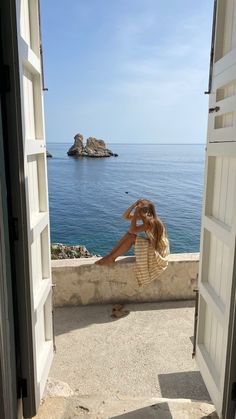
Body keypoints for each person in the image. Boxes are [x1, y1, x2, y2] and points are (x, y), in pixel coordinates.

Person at [95, 199, 169, 286]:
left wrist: (136, 211)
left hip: (159, 251)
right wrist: (133, 205)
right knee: (129, 235)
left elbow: (132, 230)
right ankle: (110, 256)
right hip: (153, 245)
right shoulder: (147, 218)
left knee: (131, 237)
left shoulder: (151, 222)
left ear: (145, 212)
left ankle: (111, 257)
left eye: (140, 209)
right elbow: (125, 216)